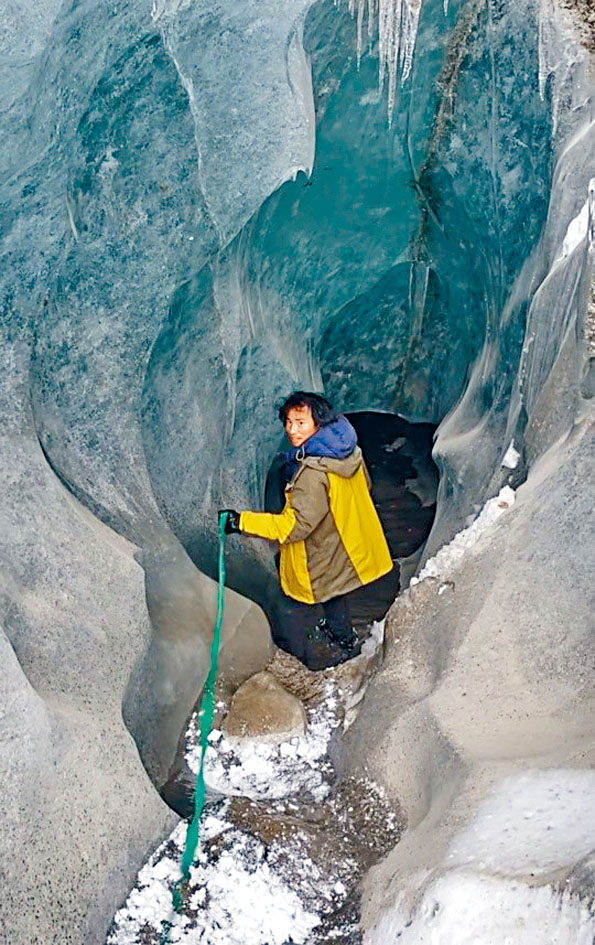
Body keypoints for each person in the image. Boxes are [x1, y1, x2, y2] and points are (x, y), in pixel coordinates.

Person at [221, 391, 393, 666]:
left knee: (306, 603)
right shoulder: (348, 451)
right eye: (288, 422)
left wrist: (240, 521)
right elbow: (365, 487)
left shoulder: (313, 474)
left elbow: (294, 527)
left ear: (319, 424)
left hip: (321, 552)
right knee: (334, 594)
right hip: (343, 540)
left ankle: (339, 652)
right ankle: (344, 640)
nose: (292, 430)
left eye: (301, 423)